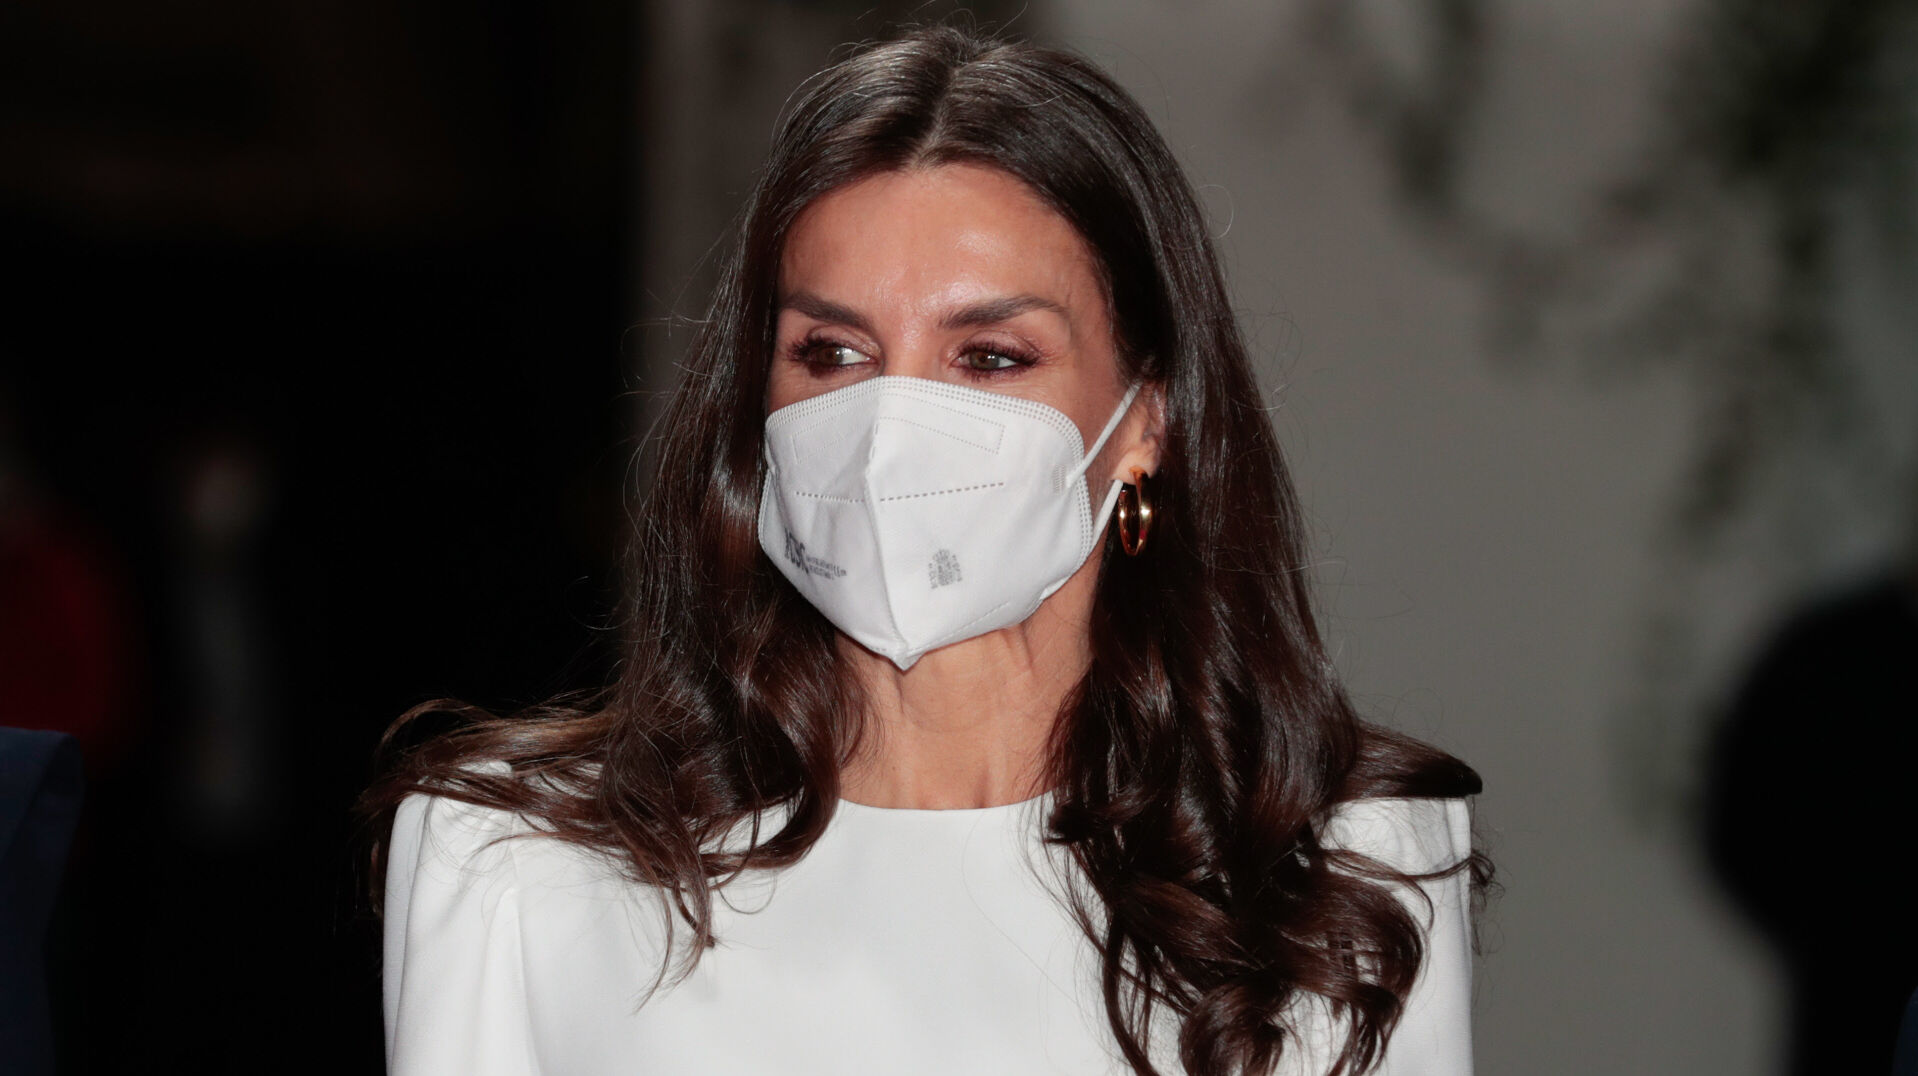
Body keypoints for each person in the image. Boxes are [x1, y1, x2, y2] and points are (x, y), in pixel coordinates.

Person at [365, 25, 1487, 1076]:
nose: (893, 421)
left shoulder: (1338, 871)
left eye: (990, 357)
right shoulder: (520, 863)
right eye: (833, 350)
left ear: (1146, 422)